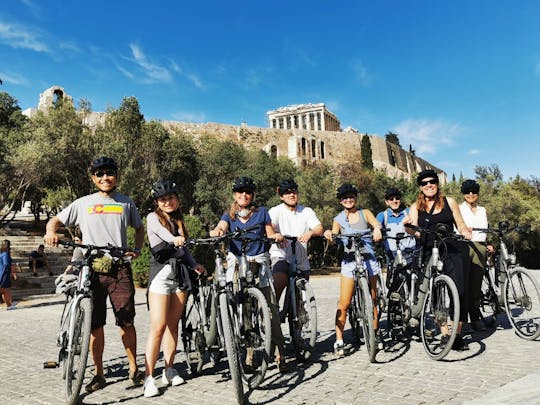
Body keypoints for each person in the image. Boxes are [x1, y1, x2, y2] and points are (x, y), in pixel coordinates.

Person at [44, 156, 145, 393]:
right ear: (93, 178)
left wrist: (137, 249)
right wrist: (51, 232)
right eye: (99, 174)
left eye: (109, 173)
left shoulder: (126, 203)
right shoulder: (83, 203)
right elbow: (56, 220)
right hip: (91, 270)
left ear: (116, 176)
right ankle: (99, 374)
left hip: (119, 268)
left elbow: (139, 228)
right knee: (94, 325)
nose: (105, 178)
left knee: (126, 321)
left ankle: (134, 369)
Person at [209, 177, 287, 371]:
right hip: (237, 263)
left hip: (259, 262)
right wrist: (217, 231)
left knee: (271, 308)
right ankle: (249, 353)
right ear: (235, 195)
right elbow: (222, 227)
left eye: (248, 192)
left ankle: (280, 353)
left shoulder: (261, 213)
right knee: (244, 308)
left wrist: (275, 236)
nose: (244, 195)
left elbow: (269, 233)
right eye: (240, 192)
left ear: (252, 195)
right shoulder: (230, 214)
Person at [143, 179, 205, 397]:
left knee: (173, 325)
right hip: (160, 275)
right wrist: (176, 239)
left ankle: (168, 369)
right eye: (162, 199)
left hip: (180, 276)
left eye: (170, 197)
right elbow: (164, 236)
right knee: (158, 326)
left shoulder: (179, 220)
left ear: (177, 199)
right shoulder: (152, 218)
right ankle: (148, 377)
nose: (167, 202)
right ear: (157, 202)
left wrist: (194, 264)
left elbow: (183, 250)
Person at [404, 169, 472, 351]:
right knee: (436, 294)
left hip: (451, 249)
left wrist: (465, 231)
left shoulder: (449, 201)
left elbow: (460, 222)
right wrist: (408, 228)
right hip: (429, 251)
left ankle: (457, 334)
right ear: (420, 187)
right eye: (424, 183)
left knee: (459, 291)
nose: (429, 185)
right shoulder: (415, 207)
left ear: (437, 183)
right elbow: (415, 230)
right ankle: (444, 333)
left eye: (432, 181)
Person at [323, 183, 383, 357]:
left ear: (355, 198)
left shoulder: (365, 213)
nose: (348, 200)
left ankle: (375, 334)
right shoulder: (338, 219)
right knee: (344, 302)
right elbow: (334, 236)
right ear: (340, 201)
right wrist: (330, 235)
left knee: (373, 298)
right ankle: (339, 339)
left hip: (368, 259)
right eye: (344, 197)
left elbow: (375, 224)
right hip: (350, 261)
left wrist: (377, 229)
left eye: (351, 196)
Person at [268, 179, 324, 303]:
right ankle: (272, 309)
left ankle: (297, 316)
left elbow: (319, 228)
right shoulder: (275, 211)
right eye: (287, 193)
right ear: (281, 197)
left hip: (301, 259)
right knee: (280, 280)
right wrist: (275, 234)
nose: (292, 195)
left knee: (300, 298)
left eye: (294, 192)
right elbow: (269, 225)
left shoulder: (306, 211)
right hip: (281, 255)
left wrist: (310, 232)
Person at [458, 179, 493, 331]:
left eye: (473, 191)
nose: (470, 194)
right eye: (467, 191)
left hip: (480, 247)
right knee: (463, 283)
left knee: (476, 284)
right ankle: (462, 319)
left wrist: (489, 243)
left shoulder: (483, 210)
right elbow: (456, 227)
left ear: (477, 193)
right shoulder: (459, 209)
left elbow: (486, 228)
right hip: (464, 246)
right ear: (463, 194)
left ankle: (475, 316)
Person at [376, 187, 416, 264]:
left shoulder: (408, 212)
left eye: (397, 198)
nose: (395, 201)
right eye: (391, 199)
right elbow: (377, 225)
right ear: (387, 202)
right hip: (392, 252)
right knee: (392, 274)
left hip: (409, 251)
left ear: (400, 200)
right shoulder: (383, 215)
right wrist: (377, 229)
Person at [1, 240, 17, 310]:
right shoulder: (5, 253)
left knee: (4, 290)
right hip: (4, 274)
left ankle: (9, 304)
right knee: (5, 290)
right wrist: (12, 273)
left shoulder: (1, 253)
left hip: (1, 273)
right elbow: (6, 264)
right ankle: (9, 305)